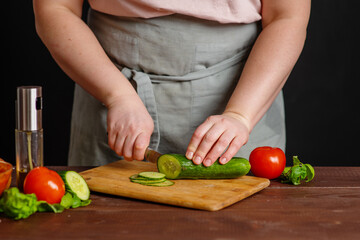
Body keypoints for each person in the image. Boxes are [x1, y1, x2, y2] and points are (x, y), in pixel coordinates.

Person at [33, 0, 311, 167]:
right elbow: (55, 7)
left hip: (245, 92)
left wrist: (240, 115)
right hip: (107, 85)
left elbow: (287, 16)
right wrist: (117, 95)